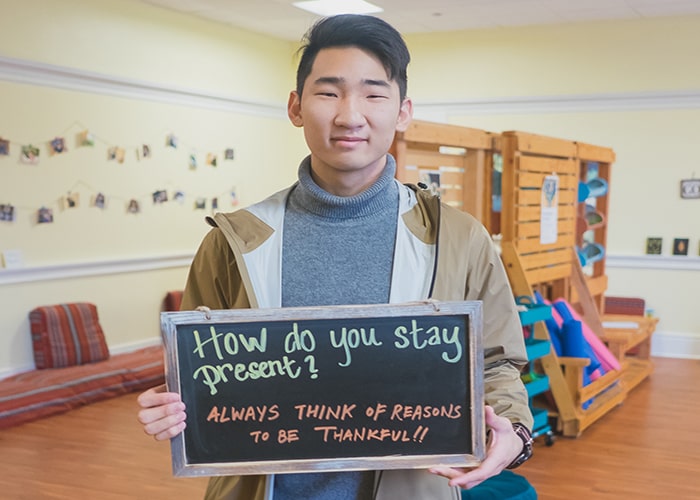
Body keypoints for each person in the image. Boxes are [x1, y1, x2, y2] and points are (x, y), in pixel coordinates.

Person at [137, 13, 533, 500]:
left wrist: (513, 428)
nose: (350, 115)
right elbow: (200, 372)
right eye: (328, 92)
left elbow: (495, 364)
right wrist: (176, 403)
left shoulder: (458, 238)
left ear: (402, 111)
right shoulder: (235, 239)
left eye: (373, 93)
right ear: (296, 106)